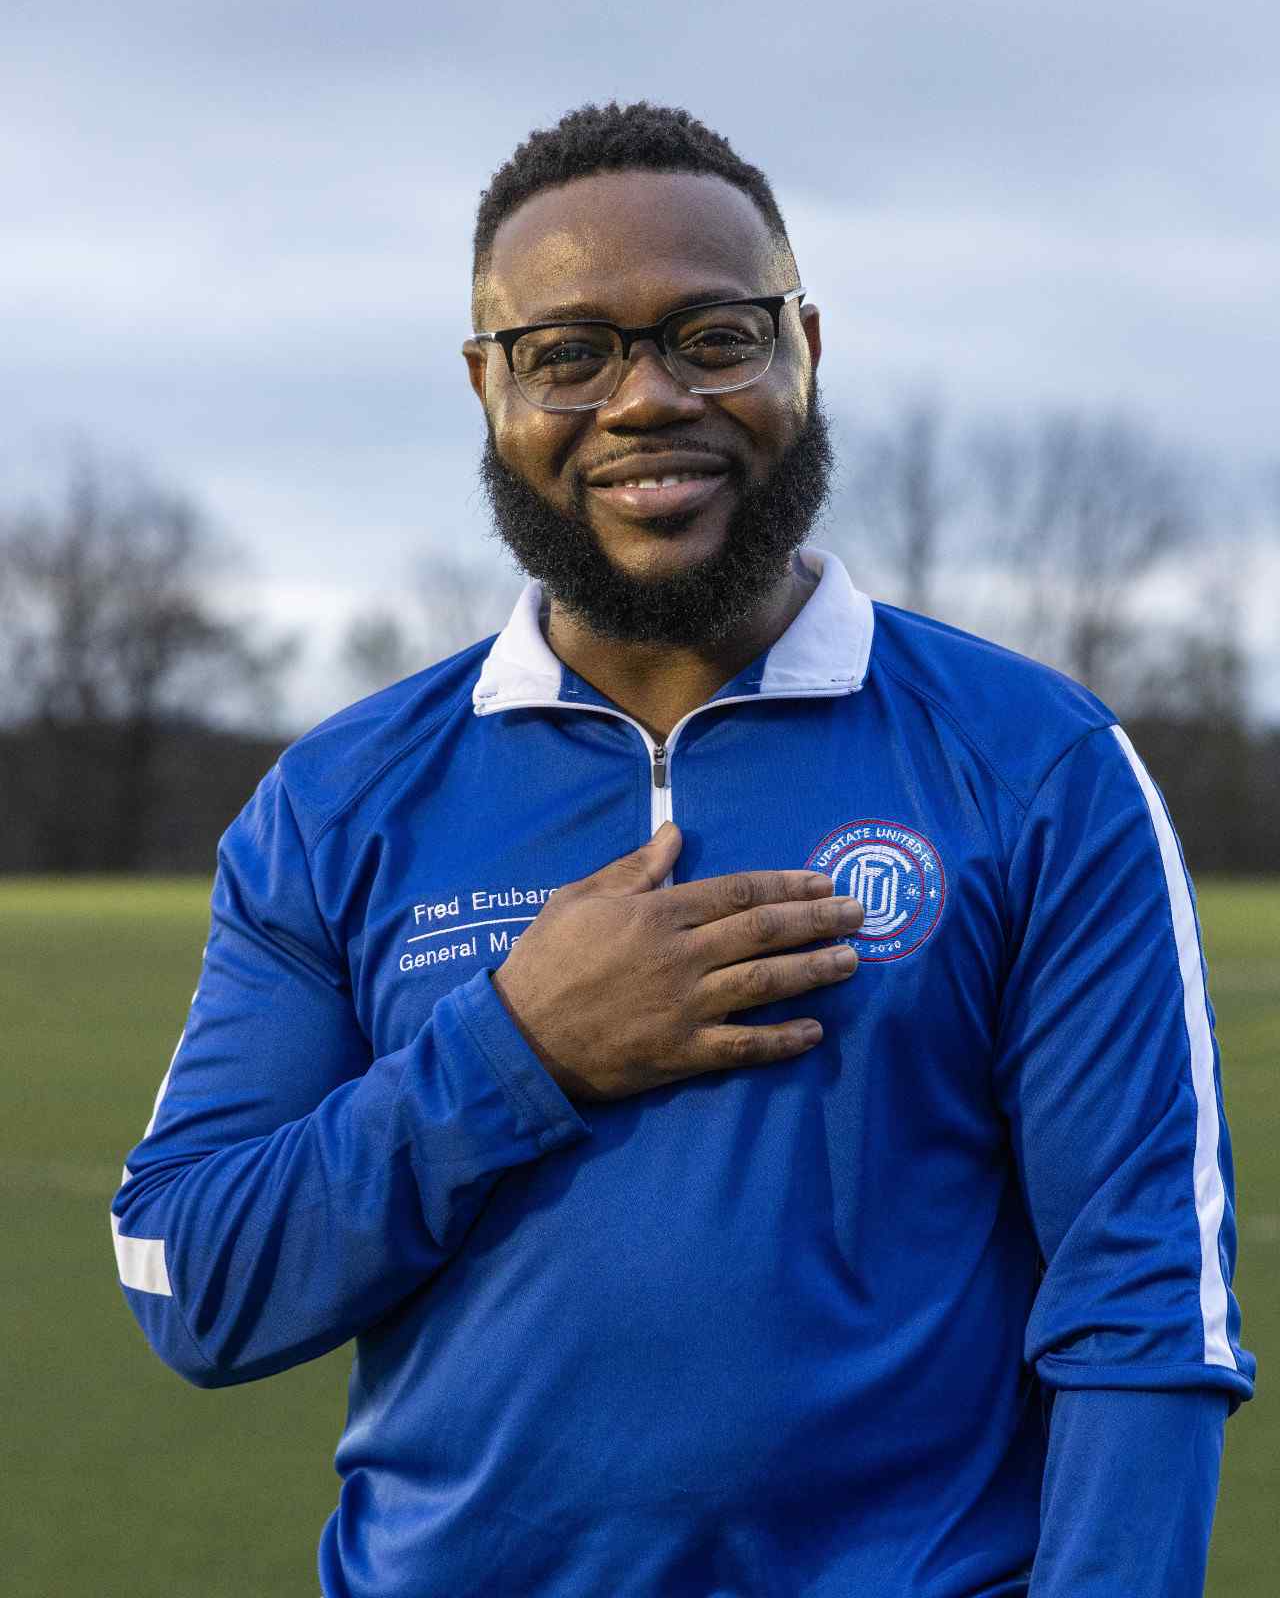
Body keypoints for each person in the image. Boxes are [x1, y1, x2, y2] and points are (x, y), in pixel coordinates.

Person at [110, 102, 1254, 1597]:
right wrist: (518, 1051)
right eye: (568, 352)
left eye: (713, 336)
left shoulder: (1038, 766)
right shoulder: (338, 800)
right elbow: (192, 1279)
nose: (646, 399)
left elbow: (1144, 1307)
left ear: (806, 347)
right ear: (486, 388)